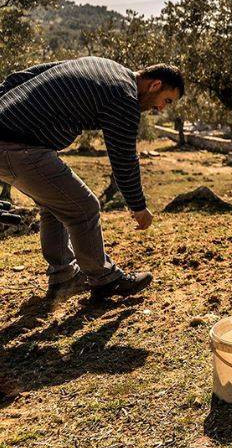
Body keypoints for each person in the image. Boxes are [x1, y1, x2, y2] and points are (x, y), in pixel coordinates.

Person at [0, 57, 184, 301]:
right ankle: (104, 279)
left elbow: (21, 76)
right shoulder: (125, 97)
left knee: (57, 203)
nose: (161, 109)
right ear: (155, 85)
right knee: (84, 207)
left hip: (16, 141)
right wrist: (138, 206)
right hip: (17, 146)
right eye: (166, 101)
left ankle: (63, 276)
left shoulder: (105, 66)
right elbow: (124, 158)